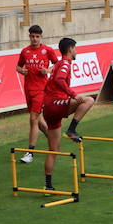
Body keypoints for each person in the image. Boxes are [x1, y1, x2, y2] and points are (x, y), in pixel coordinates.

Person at [41, 37, 96, 192]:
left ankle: (48, 185)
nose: (76, 51)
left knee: (54, 149)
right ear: (70, 49)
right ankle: (71, 129)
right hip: (55, 105)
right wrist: (72, 94)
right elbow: (59, 79)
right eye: (75, 48)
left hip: (50, 109)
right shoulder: (65, 63)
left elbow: (49, 83)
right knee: (88, 100)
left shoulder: (58, 63)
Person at [16, 25, 59, 163]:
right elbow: (18, 66)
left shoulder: (48, 51)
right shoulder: (25, 51)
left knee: (33, 119)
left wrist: (47, 70)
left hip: (41, 90)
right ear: (29, 37)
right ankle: (54, 142)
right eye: (32, 36)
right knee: (39, 122)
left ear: (41, 37)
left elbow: (57, 65)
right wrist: (21, 71)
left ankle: (30, 153)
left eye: (37, 36)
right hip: (28, 90)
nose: (35, 39)